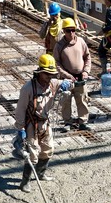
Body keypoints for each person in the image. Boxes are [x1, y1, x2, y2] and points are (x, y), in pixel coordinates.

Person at [14, 54, 72, 192]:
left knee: (48, 149)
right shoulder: (28, 88)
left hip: (45, 123)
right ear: (40, 72)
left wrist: (68, 83)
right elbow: (20, 109)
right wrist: (20, 128)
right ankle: (25, 182)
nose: (49, 78)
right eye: (47, 74)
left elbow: (71, 83)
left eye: (52, 75)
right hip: (31, 125)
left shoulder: (52, 84)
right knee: (32, 154)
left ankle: (40, 174)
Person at [53, 18, 92, 131]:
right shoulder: (59, 46)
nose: (71, 33)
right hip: (67, 79)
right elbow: (57, 63)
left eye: (73, 30)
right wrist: (66, 75)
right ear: (63, 31)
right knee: (66, 100)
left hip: (80, 77)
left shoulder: (81, 42)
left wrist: (86, 71)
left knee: (82, 99)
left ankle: (83, 121)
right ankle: (67, 122)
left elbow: (87, 57)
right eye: (68, 30)